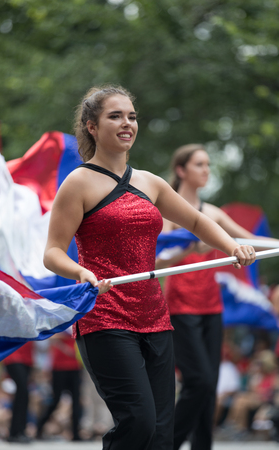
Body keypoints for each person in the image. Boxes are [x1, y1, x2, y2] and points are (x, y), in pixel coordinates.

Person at [43, 86, 255, 450]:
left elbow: (199, 222)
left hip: (155, 317)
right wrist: (81, 272)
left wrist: (233, 246)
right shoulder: (78, 183)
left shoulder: (150, 182)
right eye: (115, 116)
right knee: (137, 422)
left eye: (131, 116)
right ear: (91, 126)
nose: (127, 123)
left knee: (160, 433)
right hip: (105, 317)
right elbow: (52, 253)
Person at [155, 143, 271, 450]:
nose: (206, 170)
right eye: (199, 164)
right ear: (181, 170)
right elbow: (153, 261)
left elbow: (249, 240)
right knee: (200, 381)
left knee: (209, 384)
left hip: (212, 306)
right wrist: (188, 248)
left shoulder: (211, 213)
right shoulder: (167, 212)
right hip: (180, 307)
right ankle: (166, 444)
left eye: (208, 164)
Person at [36, 330, 83, 441]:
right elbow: (50, 336)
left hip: (74, 366)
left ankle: (76, 433)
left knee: (76, 401)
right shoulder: (60, 320)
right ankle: (39, 427)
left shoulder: (75, 320)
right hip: (59, 367)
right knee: (55, 400)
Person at [3, 341, 34, 443]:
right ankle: (19, 431)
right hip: (13, 354)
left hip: (27, 355)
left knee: (22, 394)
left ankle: (14, 432)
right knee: (23, 390)